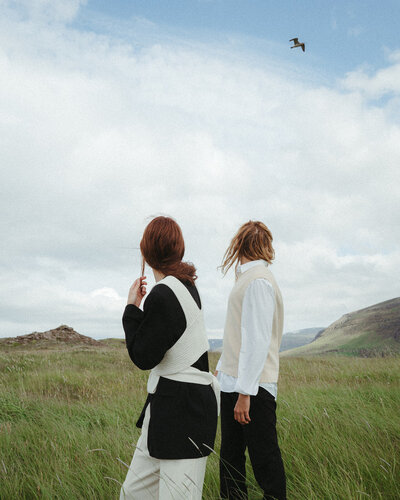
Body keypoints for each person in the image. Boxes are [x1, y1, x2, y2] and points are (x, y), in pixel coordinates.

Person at [120, 216, 219, 500]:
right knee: (133, 494)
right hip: (172, 411)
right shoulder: (188, 287)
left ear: (147, 253)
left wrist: (131, 308)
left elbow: (142, 356)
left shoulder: (163, 294)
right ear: (179, 248)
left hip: (182, 414)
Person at [216, 221, 286, 500]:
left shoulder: (258, 280)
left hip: (251, 389)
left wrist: (245, 392)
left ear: (240, 244)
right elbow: (239, 334)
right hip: (236, 383)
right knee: (231, 460)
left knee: (264, 460)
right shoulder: (250, 277)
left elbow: (257, 341)